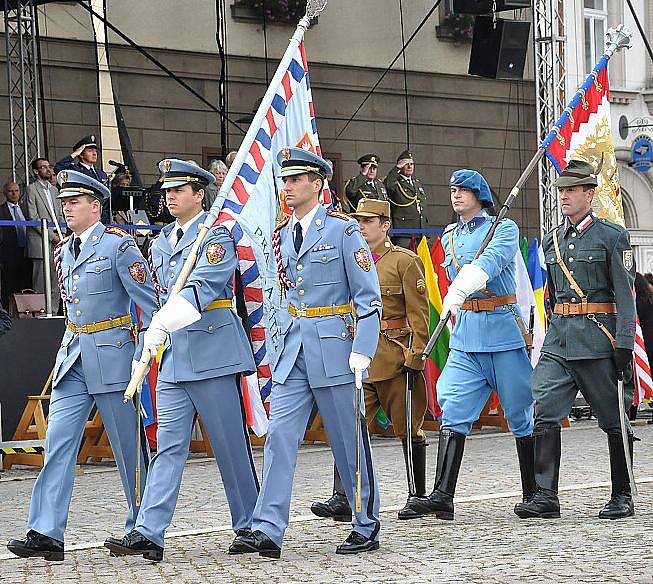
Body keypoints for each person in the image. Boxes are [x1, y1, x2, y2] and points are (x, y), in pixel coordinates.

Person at [104, 159, 260, 562]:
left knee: (229, 447)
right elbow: (158, 295)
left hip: (212, 350)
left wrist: (161, 324)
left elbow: (204, 288)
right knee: (168, 448)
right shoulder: (159, 243)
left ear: (199, 194)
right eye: (167, 191)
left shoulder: (216, 236)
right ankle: (149, 530)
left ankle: (250, 524)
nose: (169, 197)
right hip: (174, 355)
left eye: (178, 190)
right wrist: (153, 337)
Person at [229, 148, 382, 559]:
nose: (288, 187)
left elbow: (369, 299)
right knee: (280, 437)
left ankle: (365, 522)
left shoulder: (343, 232)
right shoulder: (281, 233)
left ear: (318, 184)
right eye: (285, 180)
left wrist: (362, 350)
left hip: (334, 345)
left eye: (296, 180)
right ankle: (268, 528)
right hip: (294, 346)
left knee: (347, 440)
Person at [7, 170, 157, 562]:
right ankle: (46, 531)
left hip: (113, 354)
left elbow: (149, 303)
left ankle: (142, 526)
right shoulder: (63, 249)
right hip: (73, 355)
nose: (66, 208)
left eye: (74, 202)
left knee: (128, 448)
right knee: (57, 443)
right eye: (64, 202)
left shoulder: (119, 247)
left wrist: (150, 348)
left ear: (95, 206)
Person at [405, 169, 535, 521]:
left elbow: (489, 264)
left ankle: (535, 493)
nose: (456, 195)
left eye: (464, 190)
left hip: (503, 334)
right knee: (454, 408)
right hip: (467, 336)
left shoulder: (503, 229)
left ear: (481, 195)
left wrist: (462, 287)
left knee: (520, 412)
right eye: (453, 190)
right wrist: (456, 296)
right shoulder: (448, 236)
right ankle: (442, 495)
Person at [515, 160, 637, 521]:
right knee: (546, 407)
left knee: (613, 418)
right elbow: (552, 295)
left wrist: (624, 343)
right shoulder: (553, 238)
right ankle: (545, 496)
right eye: (561, 190)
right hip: (558, 340)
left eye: (571, 190)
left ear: (589, 193)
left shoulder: (612, 236)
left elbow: (625, 296)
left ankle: (622, 494)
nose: (564, 196)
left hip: (597, 339)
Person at [311, 198, 430, 522]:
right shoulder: (347, 258)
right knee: (347, 425)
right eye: (358, 220)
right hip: (359, 359)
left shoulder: (403, 261)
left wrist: (416, 355)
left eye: (367, 221)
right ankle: (342, 496)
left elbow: (419, 314)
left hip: (394, 357)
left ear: (385, 225)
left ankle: (416, 494)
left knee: (408, 427)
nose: (360, 226)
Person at [25, 158, 64, 314]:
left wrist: (62, 235)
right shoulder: (31, 189)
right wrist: (52, 236)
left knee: (56, 282)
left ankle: (53, 312)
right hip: (41, 243)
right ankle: (41, 313)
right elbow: (33, 218)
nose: (48, 170)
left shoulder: (55, 190)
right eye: (44, 167)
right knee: (41, 283)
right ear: (36, 171)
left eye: (49, 167)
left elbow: (61, 214)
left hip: (58, 240)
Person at [385, 150, 429, 249]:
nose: (409, 167)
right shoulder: (395, 183)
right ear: (401, 166)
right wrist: (397, 168)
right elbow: (387, 185)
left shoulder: (416, 183)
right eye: (406, 164)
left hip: (420, 231)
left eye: (411, 164)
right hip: (404, 232)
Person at [0, 182, 32, 308]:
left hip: (26, 251)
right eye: (10, 191)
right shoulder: (1, 210)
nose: (14, 194)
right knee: (9, 284)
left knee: (26, 282)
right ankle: (9, 310)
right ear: (5, 193)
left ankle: (26, 310)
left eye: (16, 190)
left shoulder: (25, 209)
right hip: (9, 253)